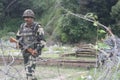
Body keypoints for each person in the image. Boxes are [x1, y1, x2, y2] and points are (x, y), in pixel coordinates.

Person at [16, 9, 46, 80]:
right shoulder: (22, 26)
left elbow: (43, 41)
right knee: (28, 73)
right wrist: (18, 43)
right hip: (25, 53)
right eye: (25, 17)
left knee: (30, 73)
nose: (26, 19)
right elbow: (18, 37)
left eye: (28, 17)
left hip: (32, 53)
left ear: (32, 18)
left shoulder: (37, 27)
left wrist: (36, 50)